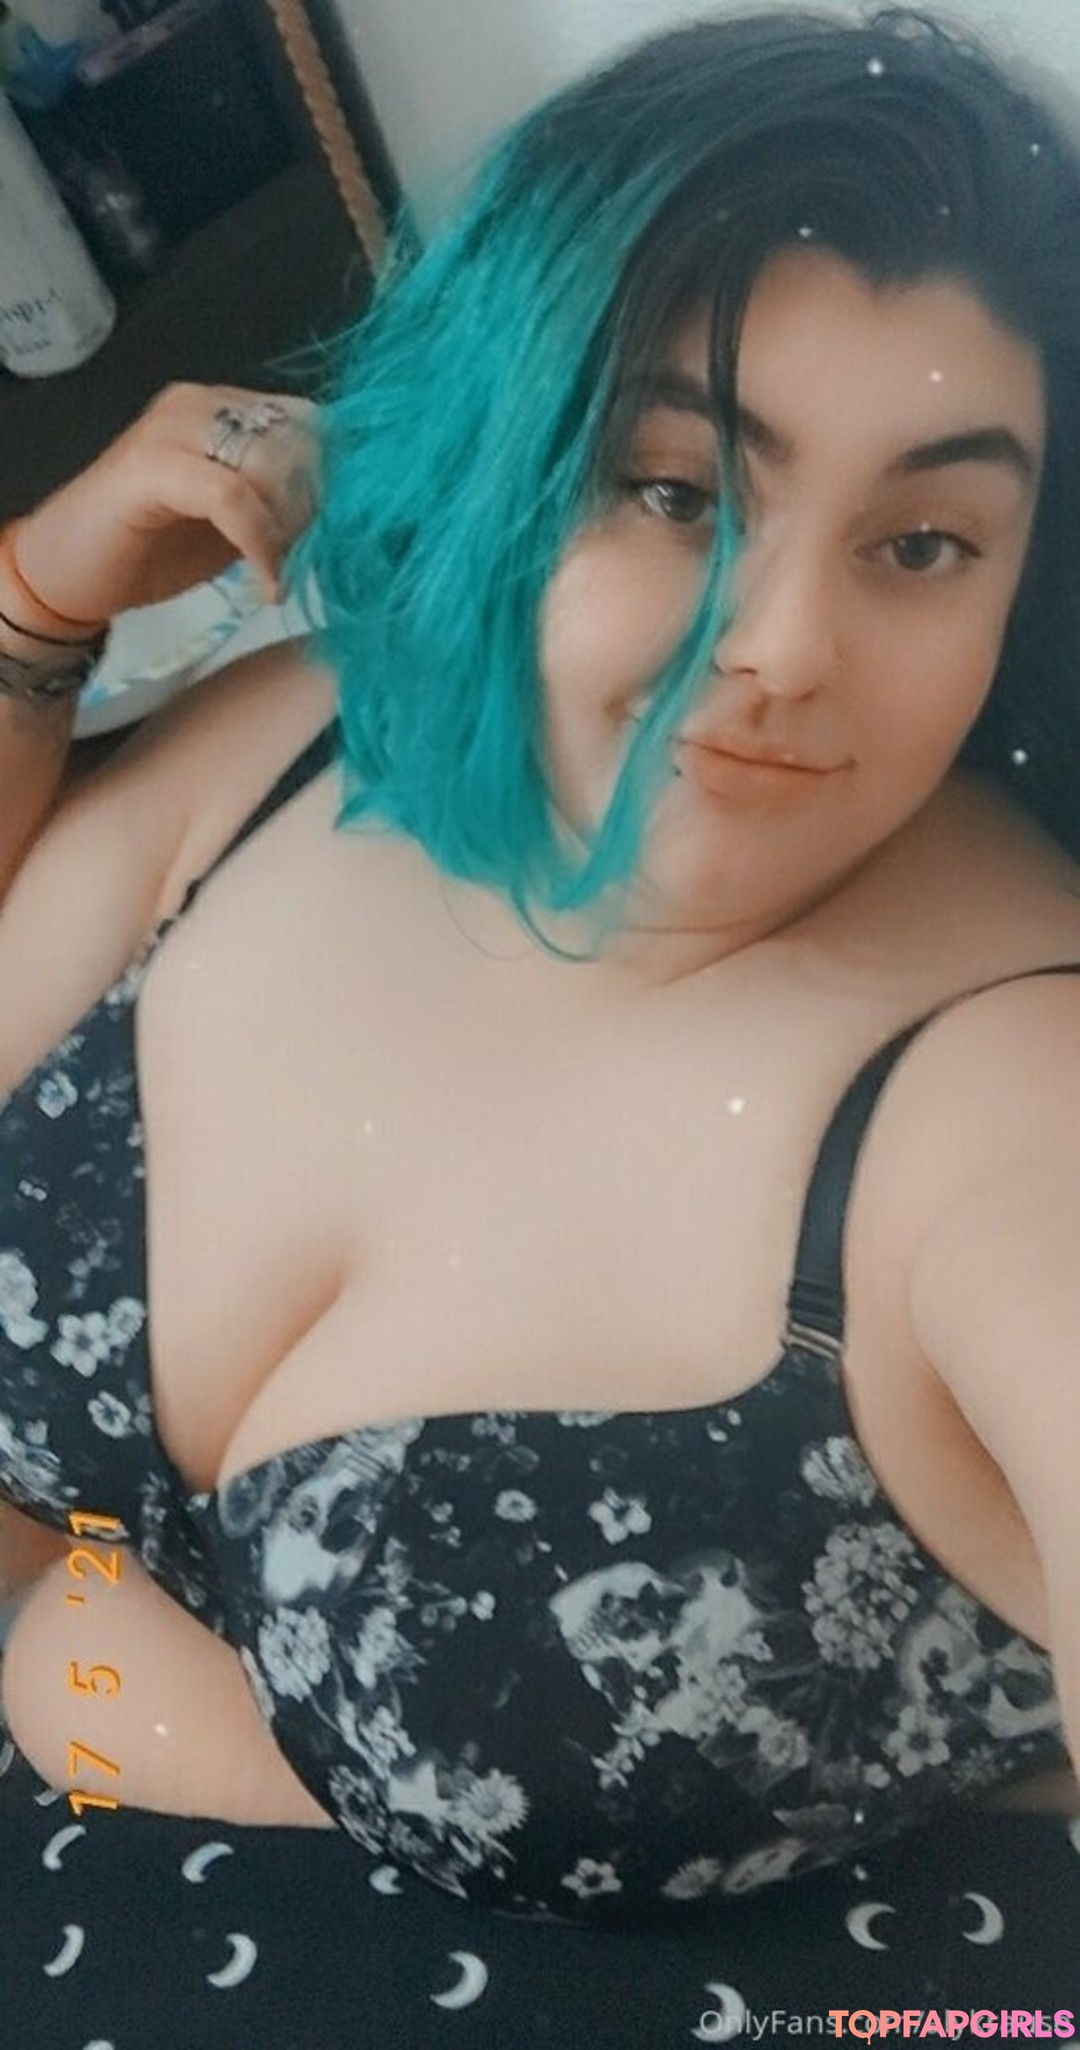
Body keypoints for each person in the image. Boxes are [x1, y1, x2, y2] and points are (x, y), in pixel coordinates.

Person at [1, 4, 1079, 2038]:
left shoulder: (1016, 1104)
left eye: (922, 543)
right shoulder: (303, 742)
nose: (781, 646)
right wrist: (39, 607)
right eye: (676, 488)